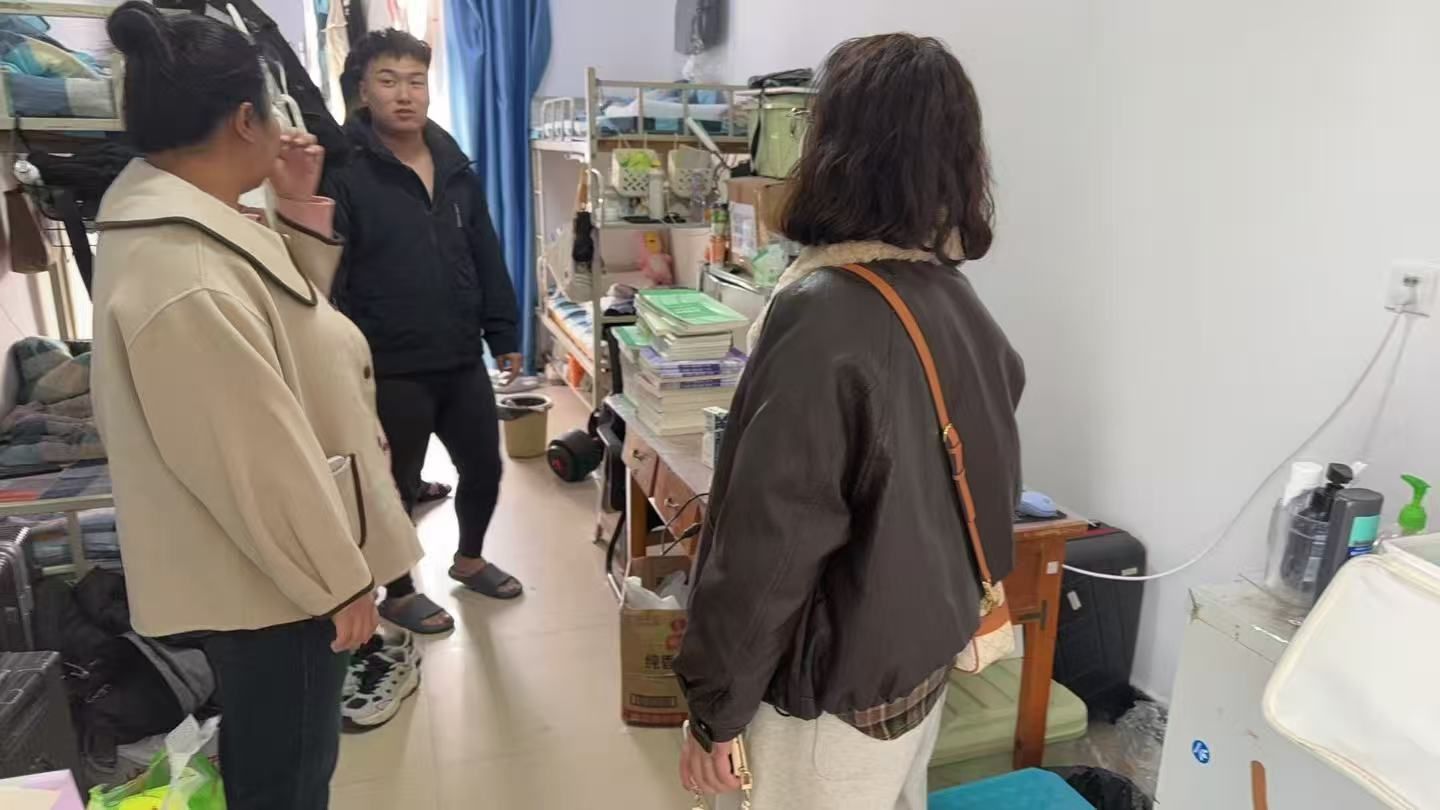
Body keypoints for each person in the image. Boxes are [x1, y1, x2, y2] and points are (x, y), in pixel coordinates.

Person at [673, 34, 1026, 810]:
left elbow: (770, 547)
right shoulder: (955, 300)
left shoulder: (823, 312)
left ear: (834, 147)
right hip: (916, 667)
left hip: (830, 697)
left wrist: (715, 709)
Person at [91, 4, 422, 807]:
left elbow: (287, 329)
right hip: (274, 588)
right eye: (273, 110)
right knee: (286, 782)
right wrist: (337, 582)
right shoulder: (185, 273)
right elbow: (255, 460)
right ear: (245, 118)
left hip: (269, 572)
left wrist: (297, 208)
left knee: (278, 765)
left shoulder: (191, 229)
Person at [322, 30, 523, 634]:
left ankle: (470, 559)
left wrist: (504, 332)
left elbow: (485, 251)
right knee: (396, 484)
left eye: (416, 81)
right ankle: (400, 589)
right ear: (363, 91)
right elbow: (332, 269)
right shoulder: (345, 169)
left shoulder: (455, 165)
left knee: (484, 467)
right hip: (390, 361)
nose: (405, 95)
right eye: (389, 81)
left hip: (459, 353)